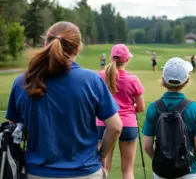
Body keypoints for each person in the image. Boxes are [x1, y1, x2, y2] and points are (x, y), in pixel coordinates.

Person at [5, 21, 122, 179]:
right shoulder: (91, 80)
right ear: (77, 48)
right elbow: (115, 127)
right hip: (86, 172)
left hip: (37, 172)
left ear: (45, 43)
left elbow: (14, 127)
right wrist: (102, 155)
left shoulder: (22, 82)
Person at [142, 57, 196, 179]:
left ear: (163, 79)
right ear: (187, 80)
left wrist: (163, 161)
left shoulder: (153, 107)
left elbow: (147, 146)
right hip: (189, 170)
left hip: (161, 172)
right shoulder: (194, 108)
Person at [97, 44, 145, 179]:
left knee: (103, 168)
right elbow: (141, 108)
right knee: (128, 170)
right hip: (128, 125)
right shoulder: (132, 79)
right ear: (127, 60)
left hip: (103, 124)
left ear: (111, 58)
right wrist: (130, 107)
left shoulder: (100, 76)